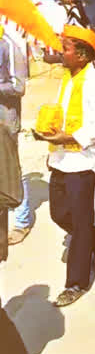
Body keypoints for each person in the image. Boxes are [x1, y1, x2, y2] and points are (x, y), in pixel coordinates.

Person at [32, 25, 95, 307]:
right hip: (61, 159)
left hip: (82, 163)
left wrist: (68, 137)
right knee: (58, 214)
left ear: (81, 54)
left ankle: (76, 283)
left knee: (78, 226)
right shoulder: (68, 79)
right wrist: (48, 136)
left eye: (66, 48)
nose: (61, 52)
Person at [1, 28, 30, 245]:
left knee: (12, 168)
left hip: (5, 120)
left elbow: (19, 87)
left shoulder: (9, 45)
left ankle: (22, 221)